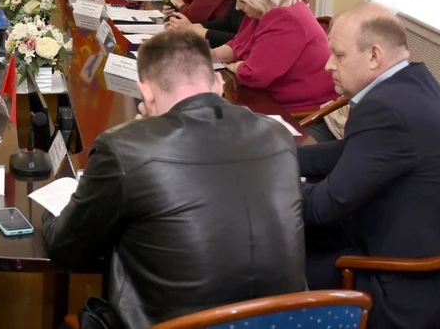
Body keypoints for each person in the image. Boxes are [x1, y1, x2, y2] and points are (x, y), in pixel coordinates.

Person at [43, 30, 305, 328]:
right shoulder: (279, 137)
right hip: (281, 321)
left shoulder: (125, 148)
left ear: (147, 92)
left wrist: (51, 211)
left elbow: (65, 247)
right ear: (218, 84)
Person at [301, 3, 440, 328]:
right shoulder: (412, 83)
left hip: (426, 285)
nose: (328, 64)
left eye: (338, 55)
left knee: (282, 269)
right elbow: (353, 152)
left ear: (374, 55)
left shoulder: (386, 108)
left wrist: (267, 183)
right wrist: (282, 154)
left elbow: (323, 207)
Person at [210, 0, 337, 112]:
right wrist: (212, 54)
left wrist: (237, 66)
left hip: (302, 108)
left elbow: (253, 75)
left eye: (242, 0)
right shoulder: (264, 10)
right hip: (270, 96)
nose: (237, 7)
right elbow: (239, 44)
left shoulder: (286, 19)